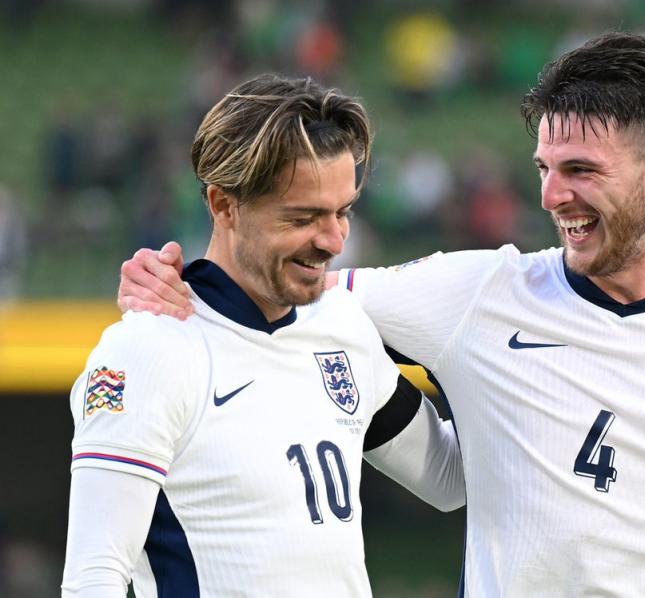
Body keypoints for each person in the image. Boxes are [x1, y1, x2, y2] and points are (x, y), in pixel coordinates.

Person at [117, 33, 645, 597]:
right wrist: (174, 278)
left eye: (580, 171)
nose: (551, 196)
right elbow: (278, 284)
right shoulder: (476, 294)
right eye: (544, 168)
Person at [62, 74, 464, 598]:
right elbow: (93, 578)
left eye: (343, 212)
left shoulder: (341, 325)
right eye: (303, 217)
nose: (334, 239)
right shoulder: (148, 351)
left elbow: (448, 478)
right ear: (223, 205)